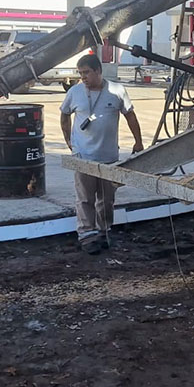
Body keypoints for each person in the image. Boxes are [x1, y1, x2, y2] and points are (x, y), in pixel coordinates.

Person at [60, 54, 143, 254]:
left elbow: (130, 115)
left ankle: (104, 230)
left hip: (108, 156)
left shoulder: (116, 90)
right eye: (80, 73)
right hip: (83, 156)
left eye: (87, 73)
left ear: (98, 71)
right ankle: (86, 234)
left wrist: (138, 141)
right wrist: (69, 141)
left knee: (106, 199)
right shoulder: (75, 92)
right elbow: (64, 115)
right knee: (85, 198)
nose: (83, 77)